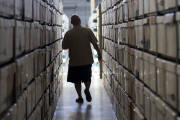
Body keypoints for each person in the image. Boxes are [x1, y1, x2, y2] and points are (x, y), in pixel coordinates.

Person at [62, 15, 102, 103]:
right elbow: (95, 44)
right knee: (87, 78)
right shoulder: (87, 31)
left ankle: (80, 97)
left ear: (71, 23)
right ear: (80, 21)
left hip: (74, 61)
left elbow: (64, 47)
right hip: (86, 60)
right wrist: (99, 53)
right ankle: (87, 89)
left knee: (77, 80)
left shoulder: (68, 33)